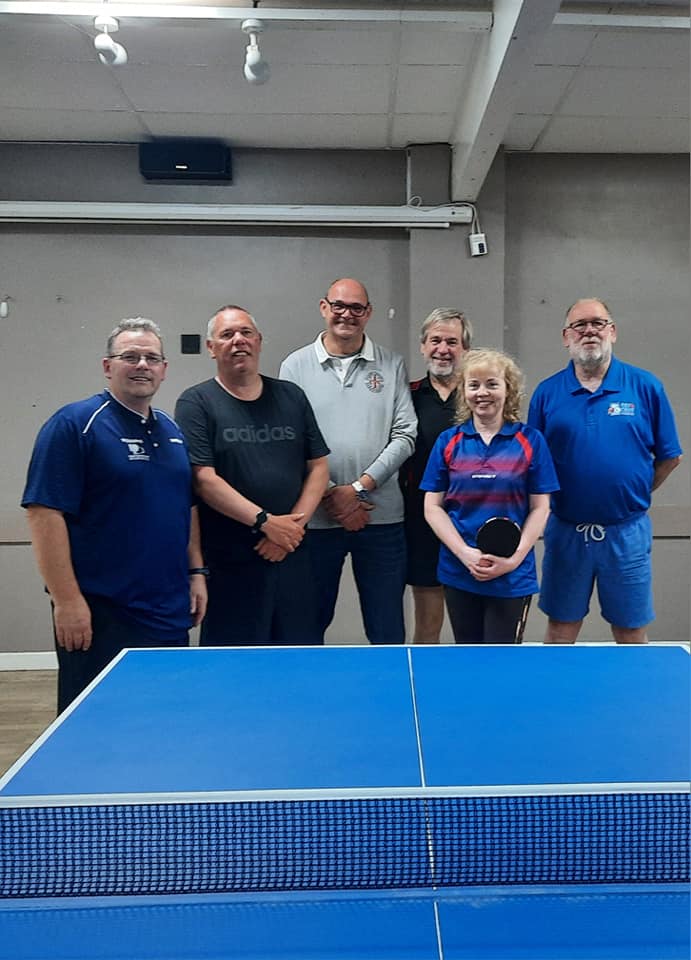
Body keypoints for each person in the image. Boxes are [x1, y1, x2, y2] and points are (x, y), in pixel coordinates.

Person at [22, 318, 207, 713]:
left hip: (168, 610)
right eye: (130, 356)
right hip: (101, 613)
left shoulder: (173, 431)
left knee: (165, 717)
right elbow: (43, 514)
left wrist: (196, 573)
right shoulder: (74, 425)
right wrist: (67, 601)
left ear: (164, 369)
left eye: (151, 358)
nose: (142, 365)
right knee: (94, 726)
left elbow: (185, 506)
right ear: (108, 366)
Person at [527, 298, 683, 644]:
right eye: (579, 325)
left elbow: (670, 456)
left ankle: (634, 699)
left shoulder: (646, 387)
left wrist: (633, 492)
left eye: (598, 323)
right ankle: (558, 699)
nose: (589, 331)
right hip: (566, 533)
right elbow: (534, 465)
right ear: (566, 337)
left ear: (613, 331)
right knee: (560, 629)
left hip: (626, 534)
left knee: (630, 632)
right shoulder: (547, 393)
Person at [175, 305, 330, 646]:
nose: (238, 341)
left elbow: (318, 466)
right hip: (230, 563)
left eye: (246, 333)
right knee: (234, 669)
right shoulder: (196, 403)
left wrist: (290, 529)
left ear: (259, 342)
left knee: (299, 661)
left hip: (293, 554)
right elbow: (203, 479)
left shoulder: (291, 396)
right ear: (211, 347)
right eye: (227, 335)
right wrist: (265, 523)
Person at [279, 278, 417, 644]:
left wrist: (357, 490)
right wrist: (333, 497)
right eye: (339, 305)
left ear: (368, 313)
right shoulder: (295, 366)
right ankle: (309, 697)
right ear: (324, 307)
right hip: (316, 519)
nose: (347, 315)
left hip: (381, 517)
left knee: (387, 625)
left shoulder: (391, 364)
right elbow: (290, 443)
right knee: (308, 622)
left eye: (357, 308)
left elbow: (405, 435)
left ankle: (389, 698)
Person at [422, 349, 558, 644]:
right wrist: (464, 553)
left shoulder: (530, 441)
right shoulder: (449, 442)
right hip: (460, 571)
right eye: (474, 385)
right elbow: (432, 507)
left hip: (512, 576)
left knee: (503, 665)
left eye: (492, 384)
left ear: (508, 389)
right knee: (468, 660)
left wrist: (514, 559)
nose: (482, 392)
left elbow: (540, 507)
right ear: (464, 391)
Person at [400, 308, 473, 643]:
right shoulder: (407, 395)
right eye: (436, 341)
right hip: (420, 519)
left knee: (469, 621)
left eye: (452, 342)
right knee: (428, 622)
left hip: (472, 519)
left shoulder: (479, 397)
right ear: (423, 346)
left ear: (465, 349)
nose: (443, 349)